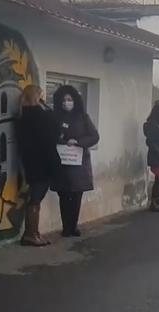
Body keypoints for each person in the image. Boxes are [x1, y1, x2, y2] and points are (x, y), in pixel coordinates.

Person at [51, 85, 100, 237]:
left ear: (75, 100)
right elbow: (49, 136)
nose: (66, 102)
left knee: (76, 195)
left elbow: (94, 136)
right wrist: (60, 140)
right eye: (64, 100)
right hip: (62, 163)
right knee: (64, 195)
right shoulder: (55, 118)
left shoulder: (83, 117)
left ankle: (74, 226)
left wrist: (78, 142)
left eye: (69, 99)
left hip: (79, 164)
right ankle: (66, 227)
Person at [15, 85, 60, 247]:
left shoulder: (21, 115)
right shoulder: (41, 115)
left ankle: (32, 233)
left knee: (34, 197)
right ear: (38, 96)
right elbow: (53, 134)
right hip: (43, 161)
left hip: (29, 161)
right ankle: (31, 234)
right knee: (36, 199)